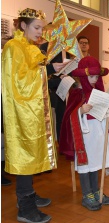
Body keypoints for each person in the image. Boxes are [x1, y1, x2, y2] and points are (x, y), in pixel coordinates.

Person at [2, 8, 57, 223]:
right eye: (36, 27)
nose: (40, 32)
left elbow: (36, 72)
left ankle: (28, 193)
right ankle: (24, 206)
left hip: (32, 110)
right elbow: (18, 82)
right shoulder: (13, 47)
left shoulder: (29, 47)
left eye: (42, 28)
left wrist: (52, 68)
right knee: (24, 153)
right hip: (20, 110)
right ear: (23, 26)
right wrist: (48, 68)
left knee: (32, 151)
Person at [59, 56, 109, 211]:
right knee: (86, 164)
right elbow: (69, 117)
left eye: (97, 76)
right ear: (83, 76)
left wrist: (108, 107)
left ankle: (96, 191)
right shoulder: (77, 93)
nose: (94, 79)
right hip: (84, 134)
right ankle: (87, 194)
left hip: (98, 132)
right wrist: (80, 111)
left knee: (96, 163)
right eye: (91, 76)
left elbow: (107, 116)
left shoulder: (99, 91)